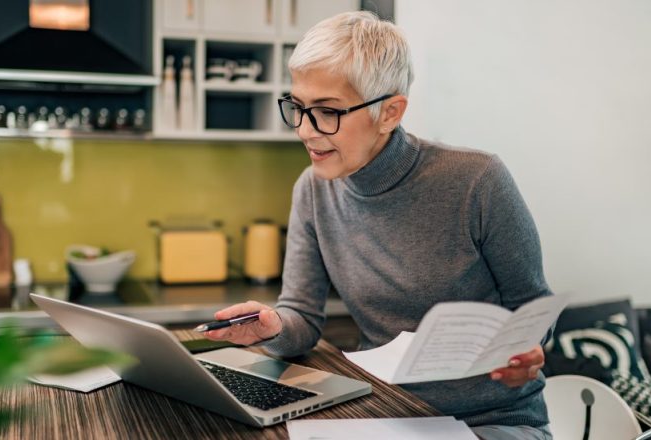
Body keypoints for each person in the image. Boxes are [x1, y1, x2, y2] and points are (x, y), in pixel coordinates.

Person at [204, 11, 554, 440]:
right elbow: (301, 317)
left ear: (390, 112)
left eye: (327, 111)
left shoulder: (477, 180)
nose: (305, 131)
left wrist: (526, 354)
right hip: (388, 412)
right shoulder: (313, 191)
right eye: (297, 107)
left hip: (494, 421)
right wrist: (272, 326)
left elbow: (534, 305)